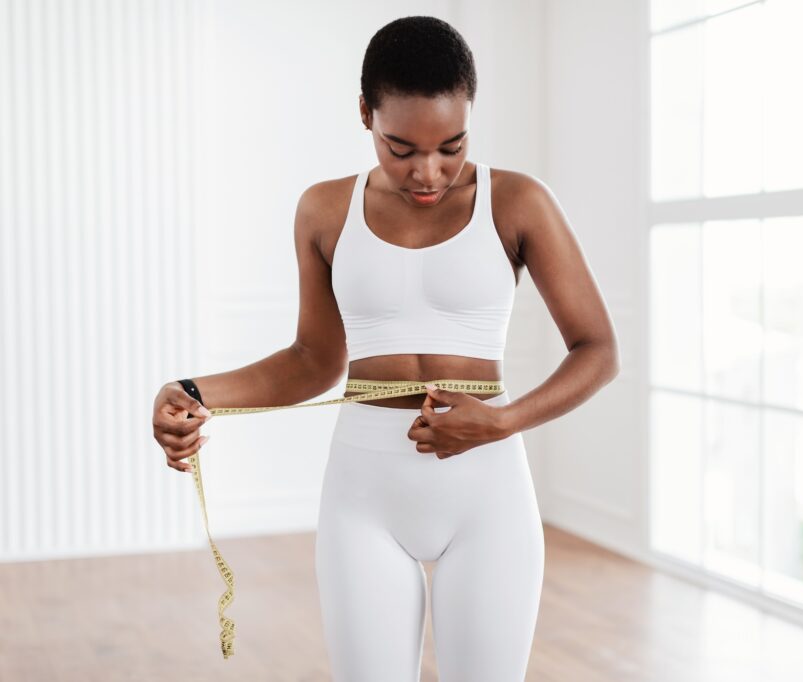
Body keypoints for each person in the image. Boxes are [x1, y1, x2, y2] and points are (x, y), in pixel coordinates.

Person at [151, 14, 619, 682]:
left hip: (487, 494)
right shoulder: (323, 211)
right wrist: (194, 395)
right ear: (365, 112)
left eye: (451, 146)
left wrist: (502, 421)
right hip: (364, 495)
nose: (428, 171)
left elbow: (598, 348)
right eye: (400, 149)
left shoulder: (517, 202)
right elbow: (314, 361)